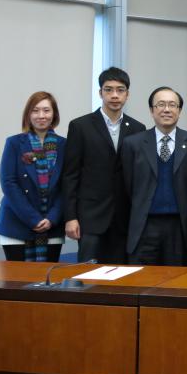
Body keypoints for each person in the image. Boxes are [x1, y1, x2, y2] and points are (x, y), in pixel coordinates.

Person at [63, 67, 146, 263]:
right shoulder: (80, 126)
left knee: (121, 275)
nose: (114, 95)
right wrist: (70, 217)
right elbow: (70, 175)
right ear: (100, 93)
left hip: (124, 218)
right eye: (109, 90)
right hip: (90, 217)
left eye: (120, 90)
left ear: (127, 94)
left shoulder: (138, 128)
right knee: (88, 274)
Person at [121, 87, 187, 266]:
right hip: (144, 225)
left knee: (177, 279)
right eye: (161, 104)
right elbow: (127, 185)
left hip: (180, 227)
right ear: (151, 110)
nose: (166, 109)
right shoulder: (133, 144)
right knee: (142, 278)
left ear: (179, 110)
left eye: (172, 105)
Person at [0, 92, 66, 262]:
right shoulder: (14, 143)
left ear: (54, 114)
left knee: (47, 277)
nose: (41, 115)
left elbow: (67, 185)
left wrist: (52, 218)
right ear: (28, 114)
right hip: (16, 223)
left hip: (52, 224)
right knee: (18, 278)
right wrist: (33, 219)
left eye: (46, 110)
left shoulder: (65, 144)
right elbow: (8, 183)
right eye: (35, 110)